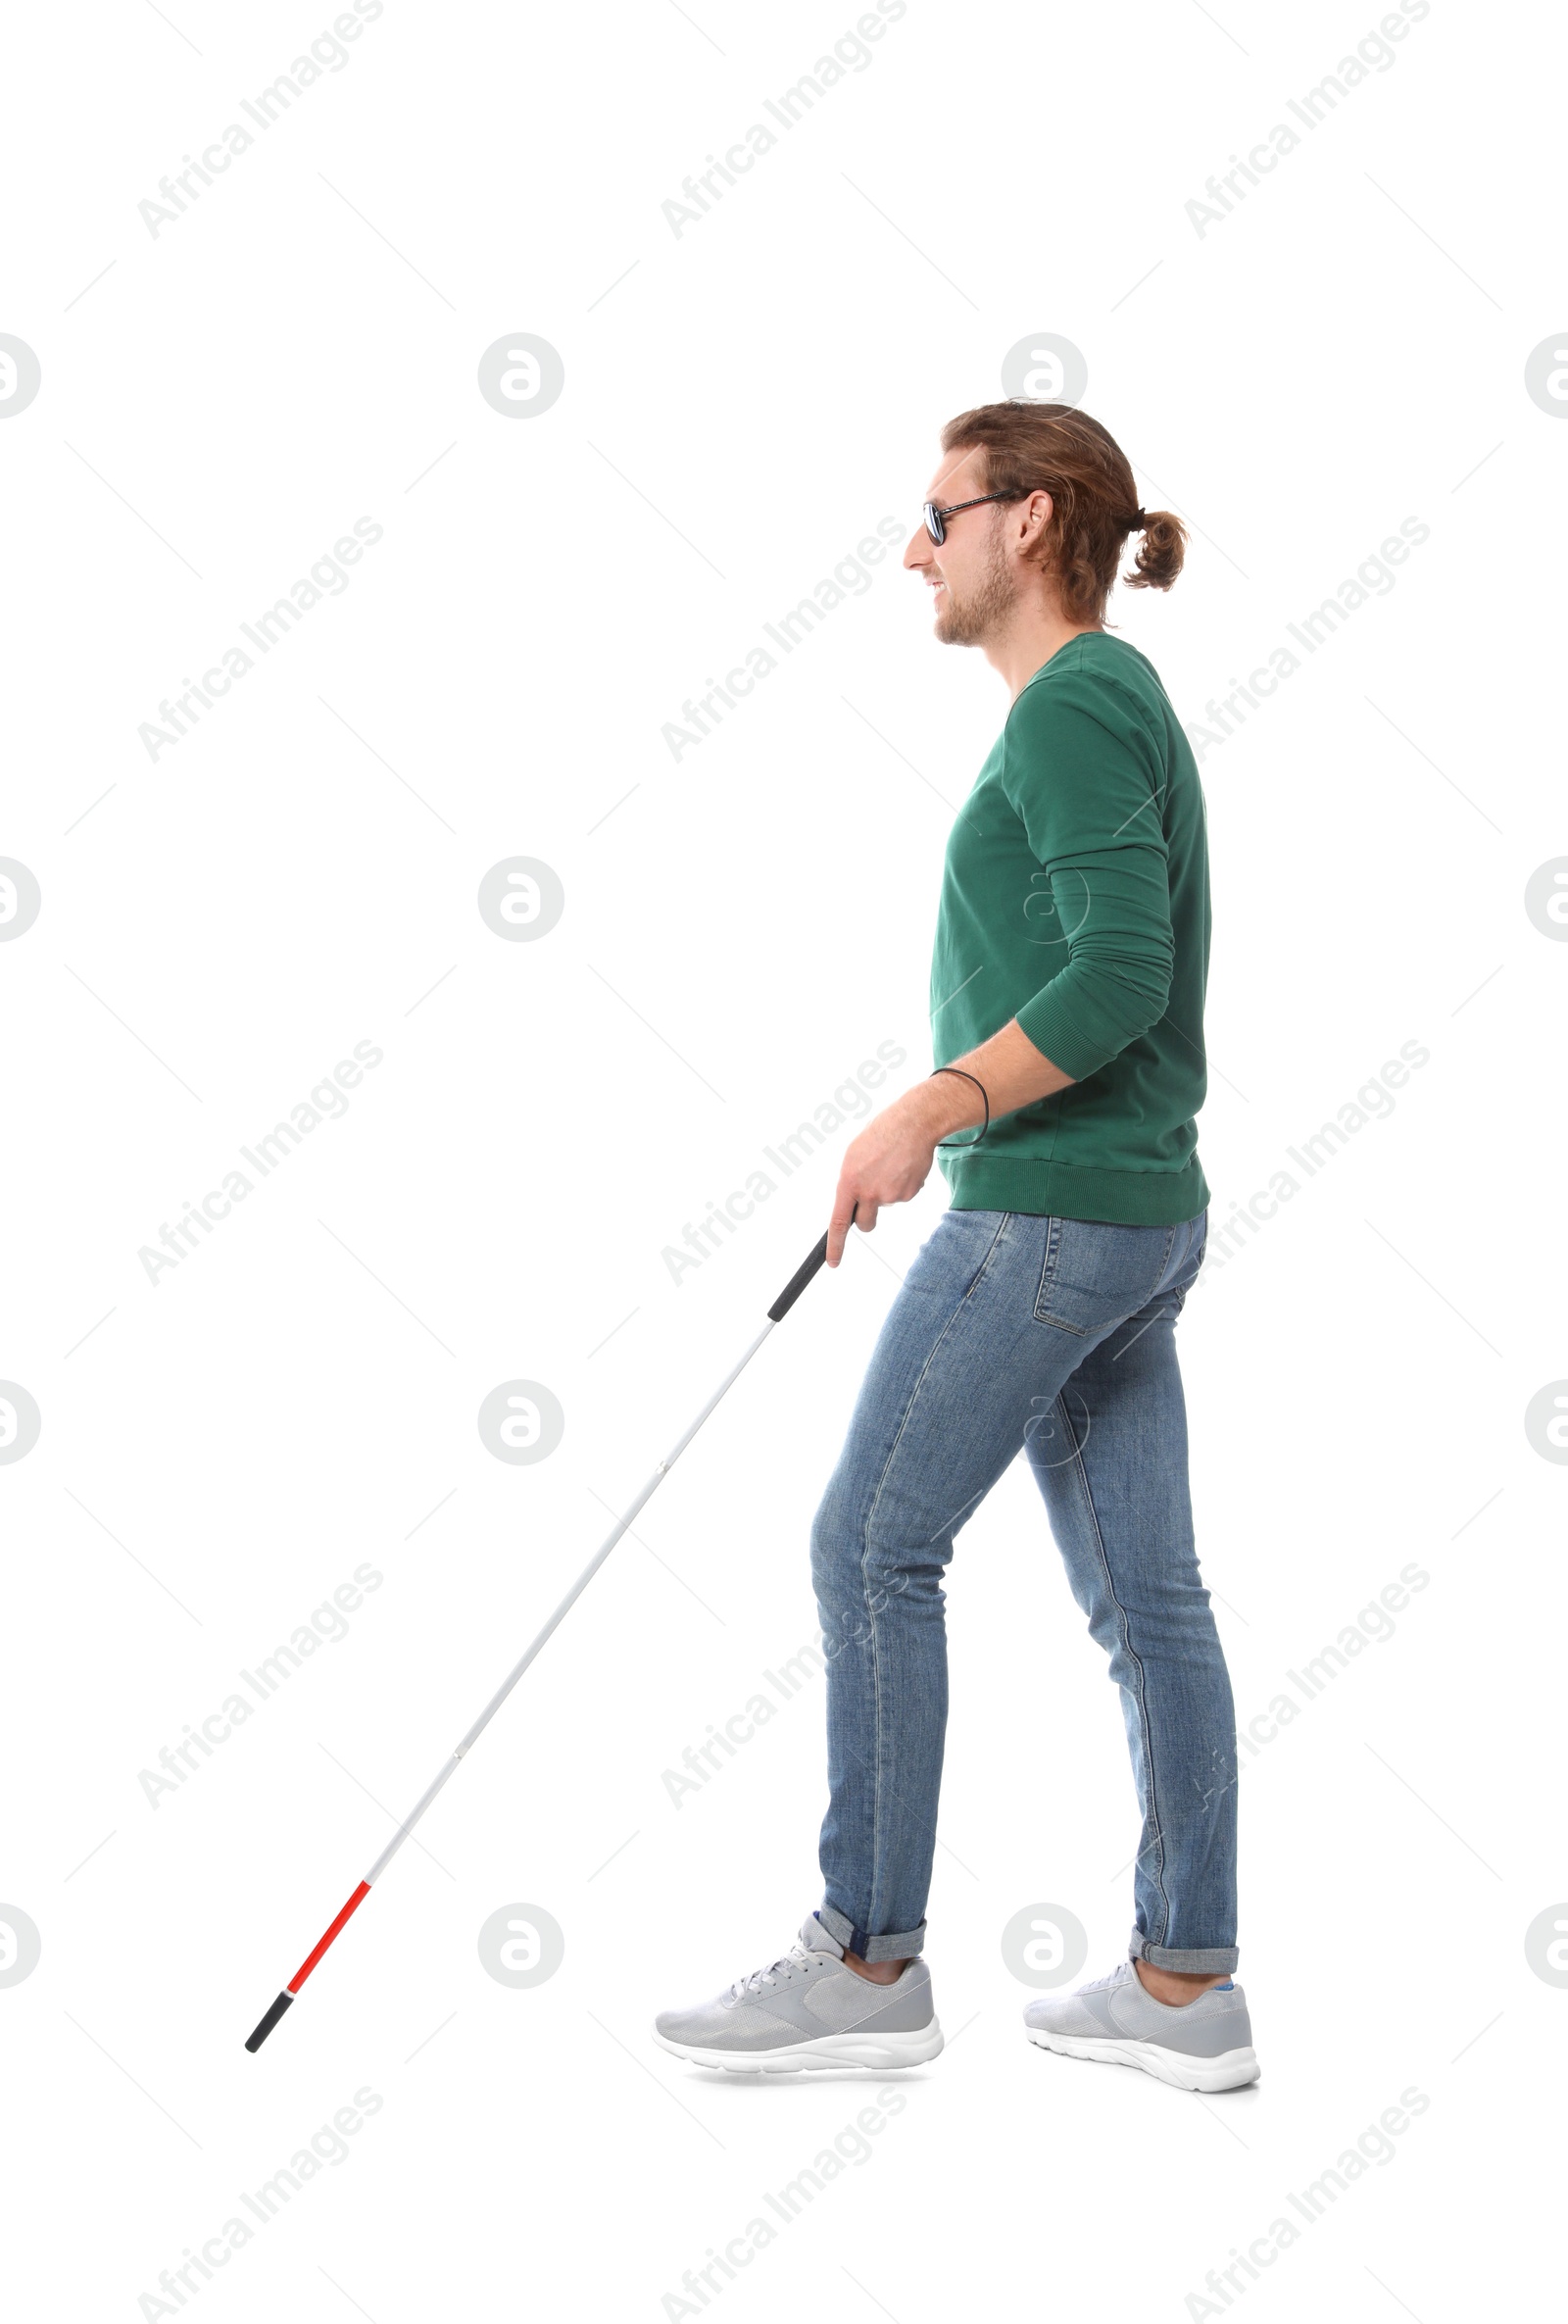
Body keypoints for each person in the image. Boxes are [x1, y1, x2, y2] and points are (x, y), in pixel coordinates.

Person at [653, 401, 1256, 2095]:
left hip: (1052, 1211)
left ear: (1034, 520)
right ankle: (1186, 1980)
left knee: (868, 1550)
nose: (915, 547)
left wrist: (933, 1105)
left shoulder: (1073, 708)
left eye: (939, 513)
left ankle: (864, 1957)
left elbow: (1121, 970)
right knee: (1152, 1601)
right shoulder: (1105, 703)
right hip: (1135, 1219)